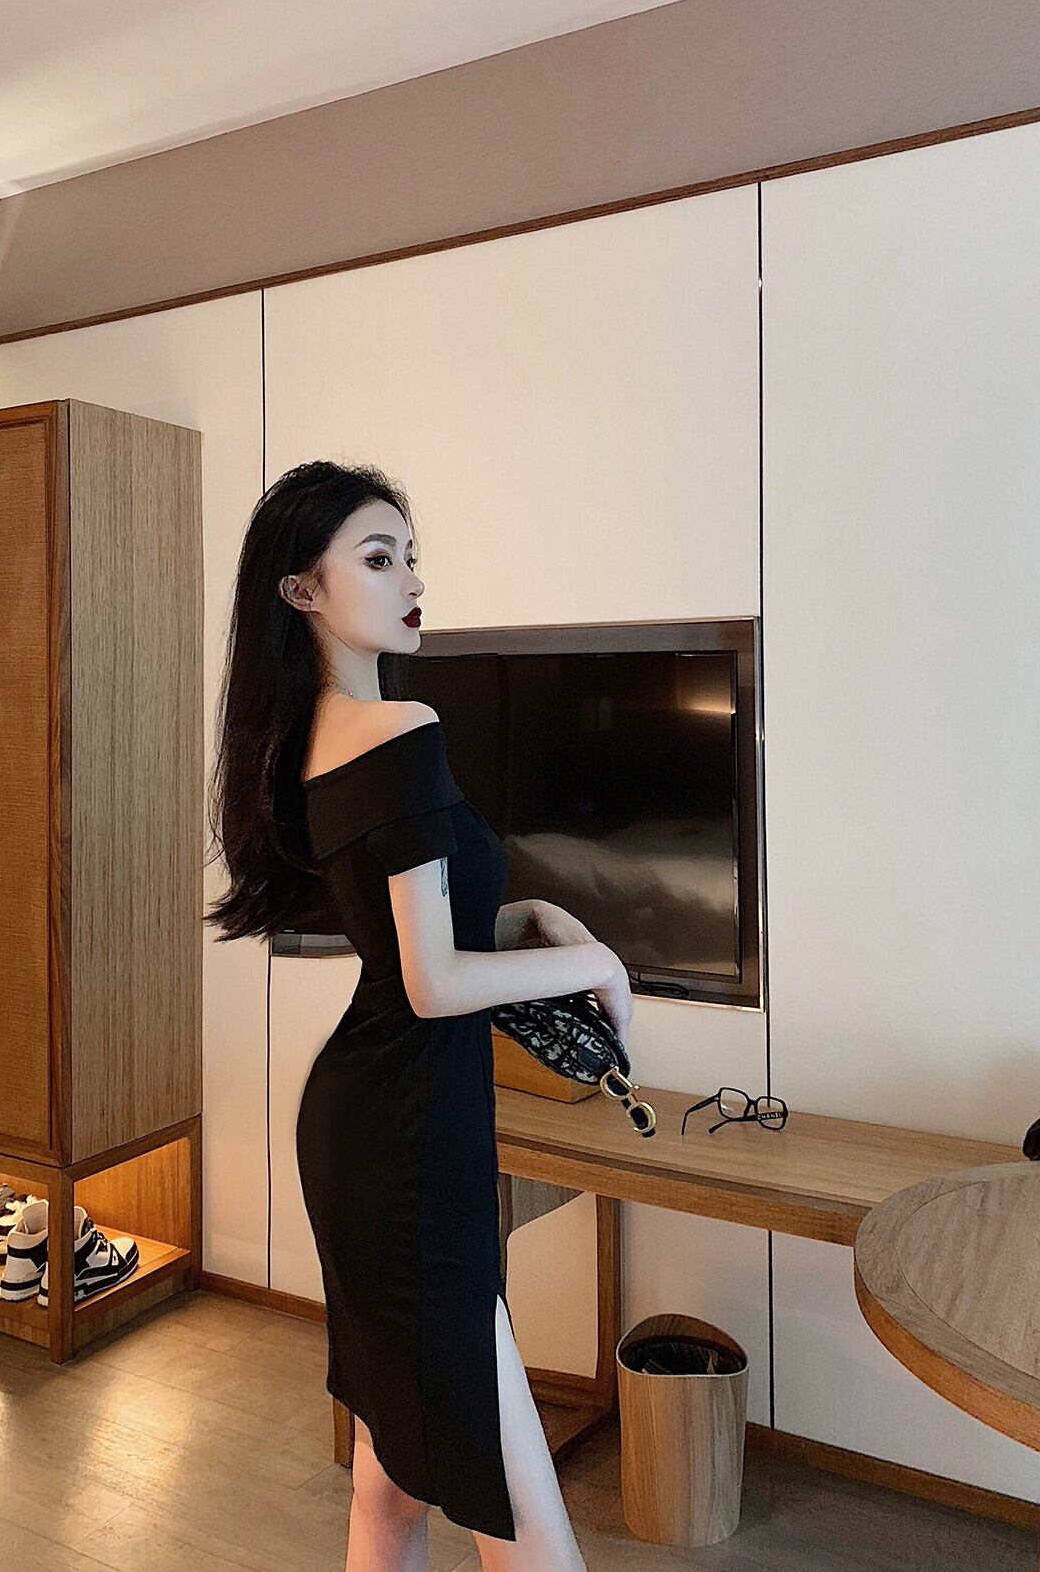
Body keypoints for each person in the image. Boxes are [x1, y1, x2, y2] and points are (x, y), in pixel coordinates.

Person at [205, 460, 633, 1572]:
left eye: (411, 556)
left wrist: (527, 913)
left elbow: (409, 931)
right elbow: (432, 981)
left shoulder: (309, 740)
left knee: (390, 1488)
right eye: (378, 556)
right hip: (407, 1145)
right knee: (522, 1524)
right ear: (303, 590)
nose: (411, 578)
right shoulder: (400, 727)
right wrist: (590, 959)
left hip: (371, 1127)